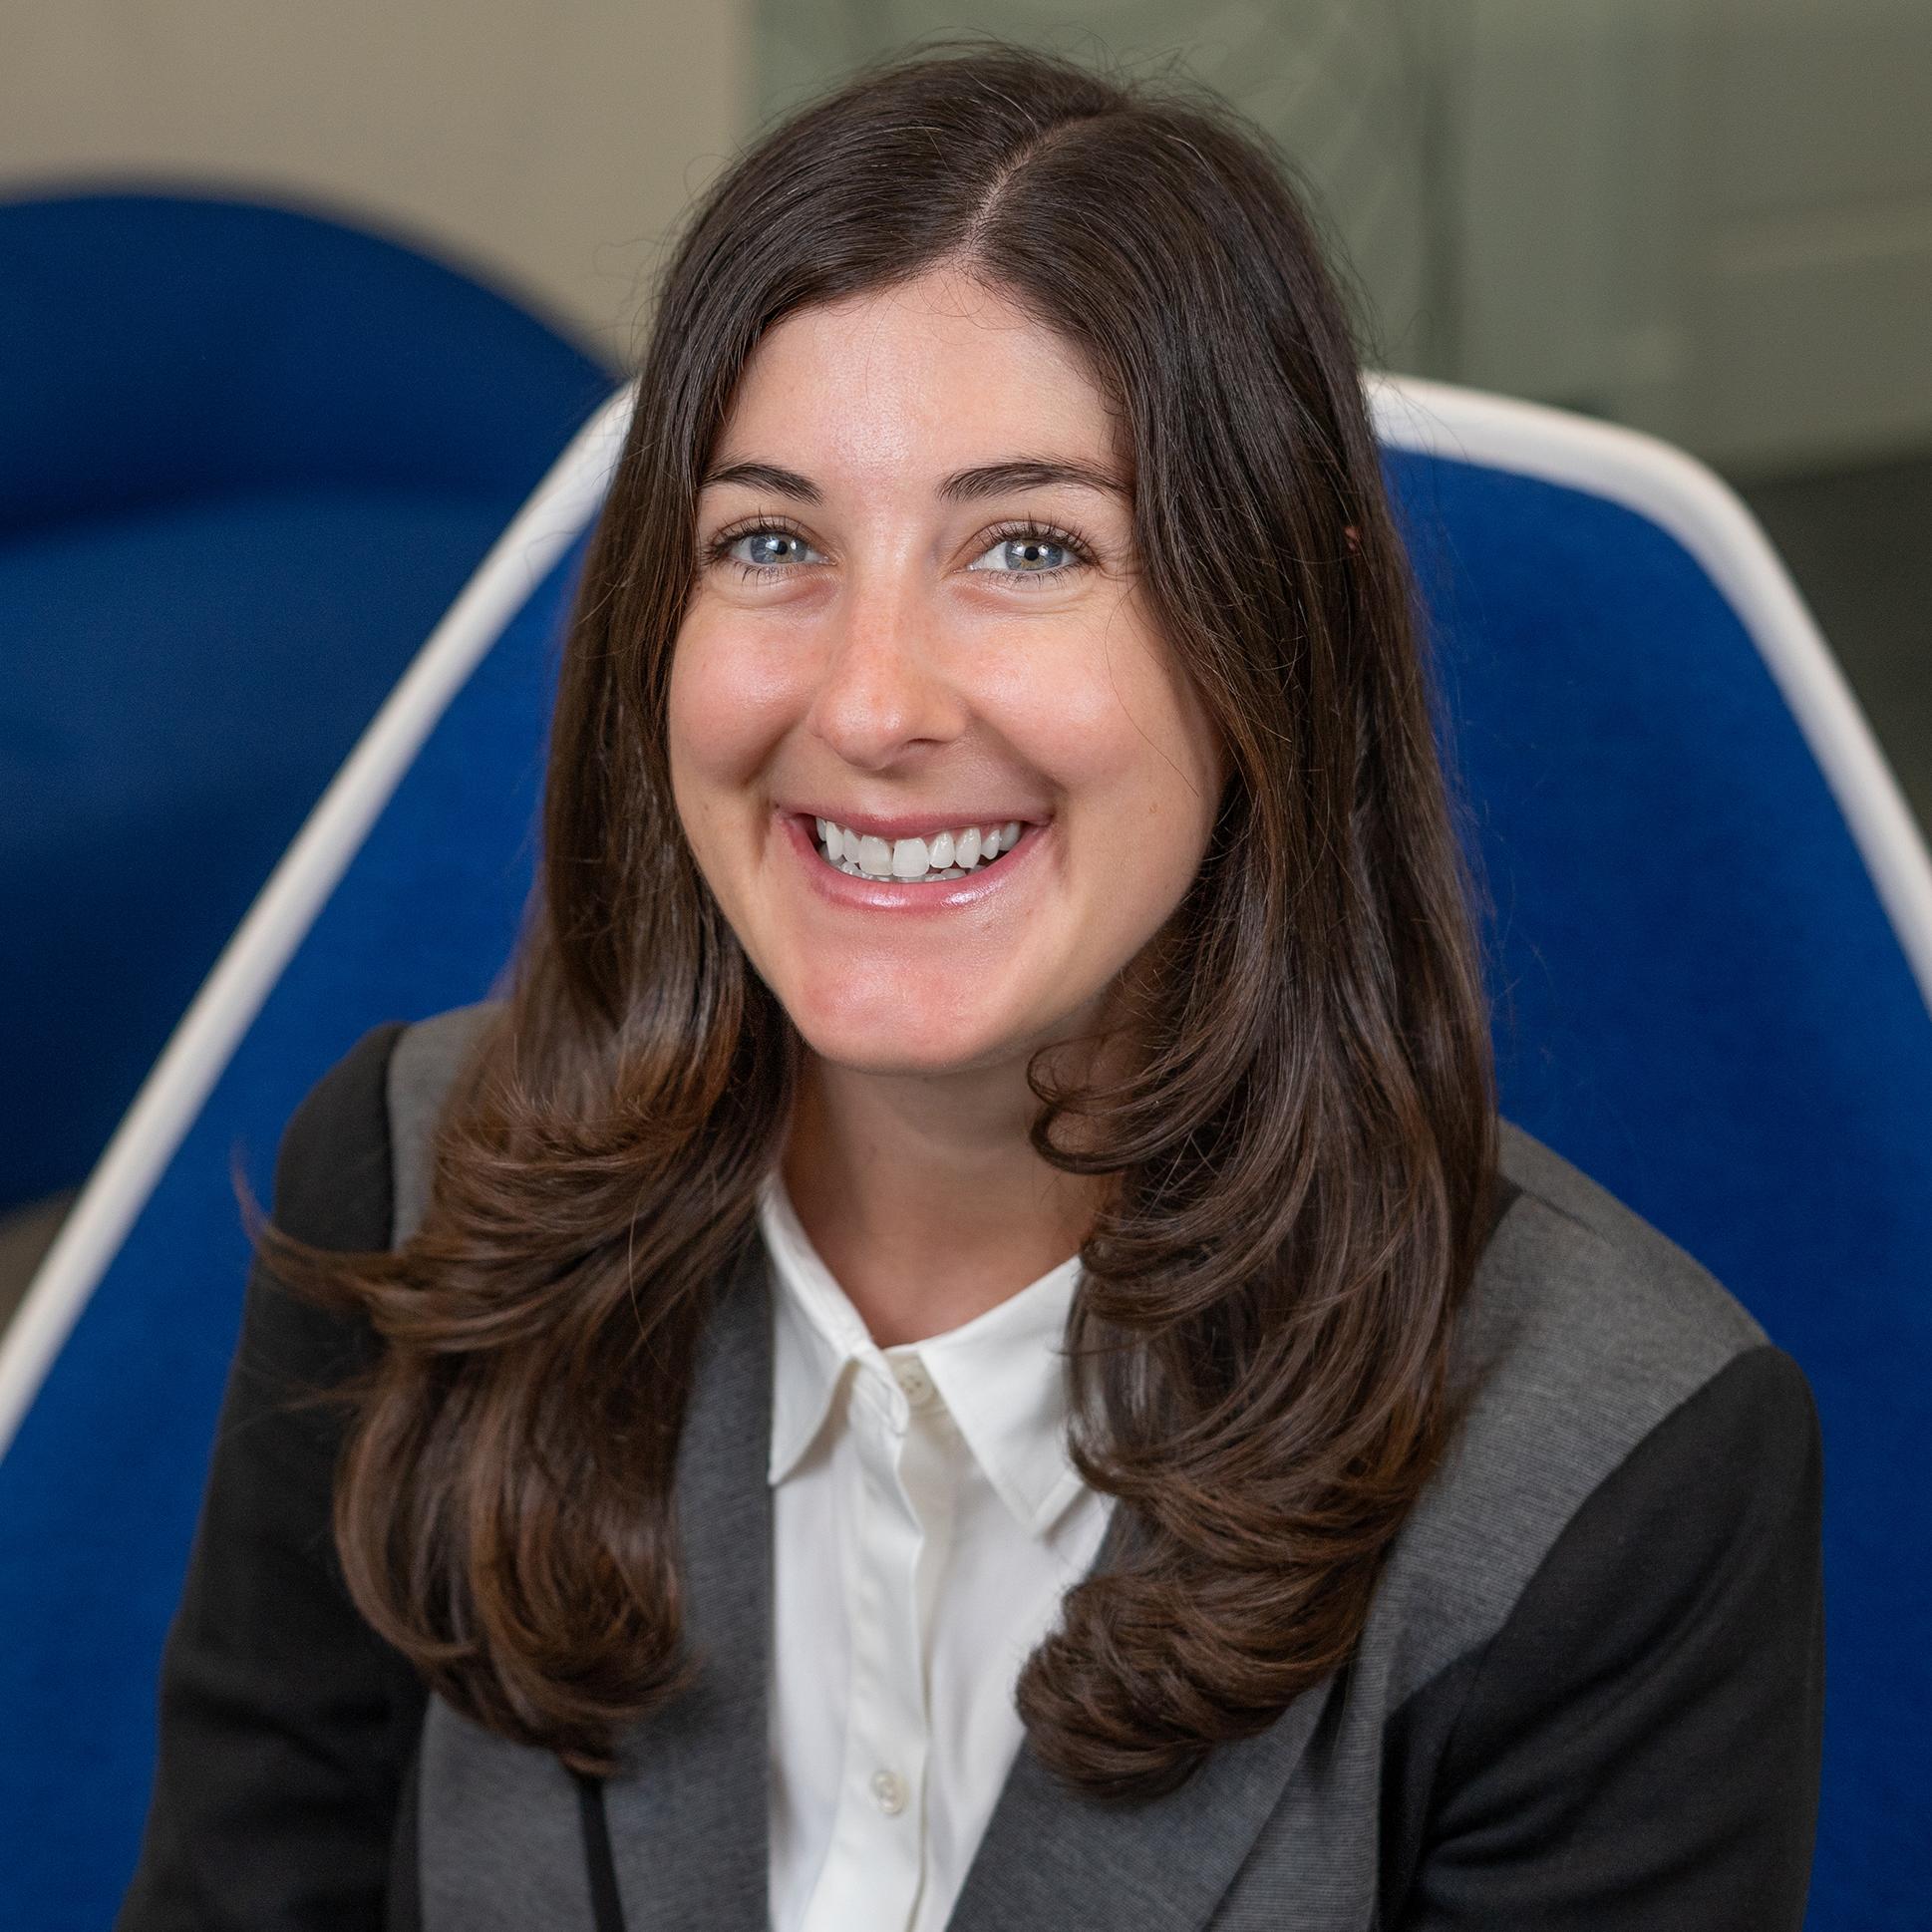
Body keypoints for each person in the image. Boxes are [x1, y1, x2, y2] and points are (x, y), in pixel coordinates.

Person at [117, 39, 1823, 1932]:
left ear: (1277, 620)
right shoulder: (415, 1183)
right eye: (771, 541)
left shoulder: (1620, 1473)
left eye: (1028, 546)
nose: (870, 703)